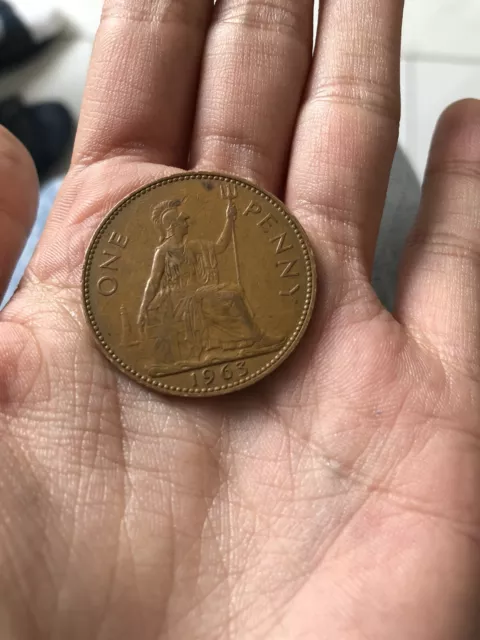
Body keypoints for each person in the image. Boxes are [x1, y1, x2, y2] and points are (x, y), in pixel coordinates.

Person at [0, 0, 478, 638]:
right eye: (174, 223)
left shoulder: (191, 242)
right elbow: (150, 290)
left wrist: (226, 228)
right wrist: (145, 321)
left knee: (229, 293)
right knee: (391, 186)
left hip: (203, 301)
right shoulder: (169, 248)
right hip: (176, 314)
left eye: (178, 220)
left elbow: (220, 257)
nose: (175, 226)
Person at [138, 198, 279, 373]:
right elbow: (153, 281)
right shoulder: (163, 251)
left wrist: (229, 220)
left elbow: (220, 247)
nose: (187, 223)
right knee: (230, 296)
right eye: (183, 220)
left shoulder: (192, 246)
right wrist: (144, 307)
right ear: (173, 226)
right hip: (177, 298)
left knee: (234, 292)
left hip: (196, 291)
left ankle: (253, 337)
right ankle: (256, 337)